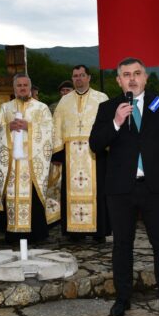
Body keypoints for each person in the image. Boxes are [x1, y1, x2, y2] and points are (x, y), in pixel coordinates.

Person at [89, 57, 159, 316]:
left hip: (155, 187)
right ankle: (123, 298)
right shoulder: (107, 107)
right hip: (120, 189)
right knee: (122, 245)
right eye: (126, 74)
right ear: (119, 80)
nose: (132, 78)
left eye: (137, 73)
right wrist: (116, 123)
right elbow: (95, 144)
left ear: (146, 78)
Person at [0, 73, 60, 244]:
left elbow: (50, 131)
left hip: (33, 164)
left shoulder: (41, 108)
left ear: (30, 87)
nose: (22, 88)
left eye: (25, 85)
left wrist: (30, 126)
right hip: (13, 165)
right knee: (13, 197)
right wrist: (7, 127)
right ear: (14, 88)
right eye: (18, 85)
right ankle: (14, 234)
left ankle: (37, 235)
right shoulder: (5, 108)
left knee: (34, 198)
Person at [52, 64, 110, 242]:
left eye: (82, 75)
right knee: (71, 191)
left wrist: (106, 146)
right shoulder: (65, 100)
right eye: (75, 76)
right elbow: (57, 126)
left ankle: (98, 231)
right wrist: (57, 154)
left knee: (98, 192)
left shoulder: (102, 98)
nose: (78, 78)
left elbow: (109, 125)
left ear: (89, 77)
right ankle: (75, 231)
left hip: (95, 153)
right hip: (71, 155)